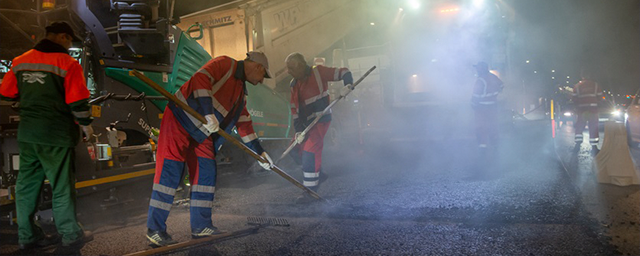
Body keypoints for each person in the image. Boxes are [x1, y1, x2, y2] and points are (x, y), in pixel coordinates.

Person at [146, 51, 274, 246]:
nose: (261, 81)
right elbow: (200, 79)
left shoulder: (240, 94)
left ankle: (201, 226)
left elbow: (245, 125)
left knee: (206, 170)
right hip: (179, 119)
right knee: (169, 172)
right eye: (263, 76)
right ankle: (155, 229)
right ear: (258, 67)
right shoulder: (225, 64)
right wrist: (208, 113)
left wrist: (261, 153)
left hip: (202, 131)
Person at [0, 21, 94, 251]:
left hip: (29, 135)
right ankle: (71, 234)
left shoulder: (20, 61)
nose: (70, 44)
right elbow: (78, 101)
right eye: (70, 40)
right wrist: (85, 125)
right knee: (61, 187)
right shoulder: (67, 63)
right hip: (56, 135)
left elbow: (6, 91)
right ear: (62, 37)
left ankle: (27, 236)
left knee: (26, 186)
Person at [285, 52, 353, 203]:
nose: (288, 72)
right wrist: (298, 131)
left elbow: (344, 72)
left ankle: (310, 193)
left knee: (310, 152)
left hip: (321, 119)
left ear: (301, 66)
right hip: (305, 124)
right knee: (295, 150)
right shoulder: (293, 84)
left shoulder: (318, 72)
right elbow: (294, 110)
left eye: (291, 68)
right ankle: (318, 173)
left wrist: (348, 84)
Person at [471, 61, 503, 149]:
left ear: (481, 69)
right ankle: (495, 143)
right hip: (493, 105)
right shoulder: (493, 77)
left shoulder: (480, 80)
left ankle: (483, 146)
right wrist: (495, 94)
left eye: (477, 68)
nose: (476, 70)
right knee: (493, 125)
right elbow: (501, 85)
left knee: (481, 126)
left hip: (481, 107)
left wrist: (473, 104)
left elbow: (476, 95)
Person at [572, 69, 602, 150]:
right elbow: (600, 97)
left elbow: (574, 99)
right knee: (593, 126)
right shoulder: (595, 85)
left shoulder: (577, 86)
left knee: (580, 126)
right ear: (590, 75)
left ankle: (577, 144)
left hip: (582, 110)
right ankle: (594, 146)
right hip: (593, 110)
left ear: (582, 76)